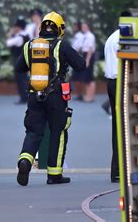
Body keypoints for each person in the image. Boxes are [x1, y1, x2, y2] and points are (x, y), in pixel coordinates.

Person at [15, 11, 85, 186]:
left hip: (34, 95)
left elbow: (19, 68)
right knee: (58, 132)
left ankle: (25, 160)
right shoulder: (62, 46)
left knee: (33, 132)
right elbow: (81, 65)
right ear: (60, 29)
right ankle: (54, 174)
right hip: (56, 96)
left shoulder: (29, 45)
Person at [104, 29, 120, 183]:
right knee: (123, 127)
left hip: (110, 82)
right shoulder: (123, 38)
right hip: (119, 81)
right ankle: (119, 169)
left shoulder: (111, 37)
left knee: (117, 126)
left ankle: (115, 171)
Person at [6, 17, 30, 104]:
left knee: (21, 79)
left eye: (15, 26)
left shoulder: (20, 37)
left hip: (19, 60)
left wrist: (10, 34)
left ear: (19, 27)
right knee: (23, 79)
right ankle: (25, 97)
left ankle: (24, 98)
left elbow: (8, 43)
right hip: (24, 60)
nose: (14, 28)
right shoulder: (26, 35)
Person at [80, 22, 96, 102]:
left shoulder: (90, 36)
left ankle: (91, 96)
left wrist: (87, 60)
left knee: (90, 77)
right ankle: (87, 95)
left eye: (85, 26)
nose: (83, 28)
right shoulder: (84, 36)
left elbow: (90, 49)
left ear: (88, 27)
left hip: (89, 56)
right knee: (86, 77)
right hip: (84, 54)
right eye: (82, 26)